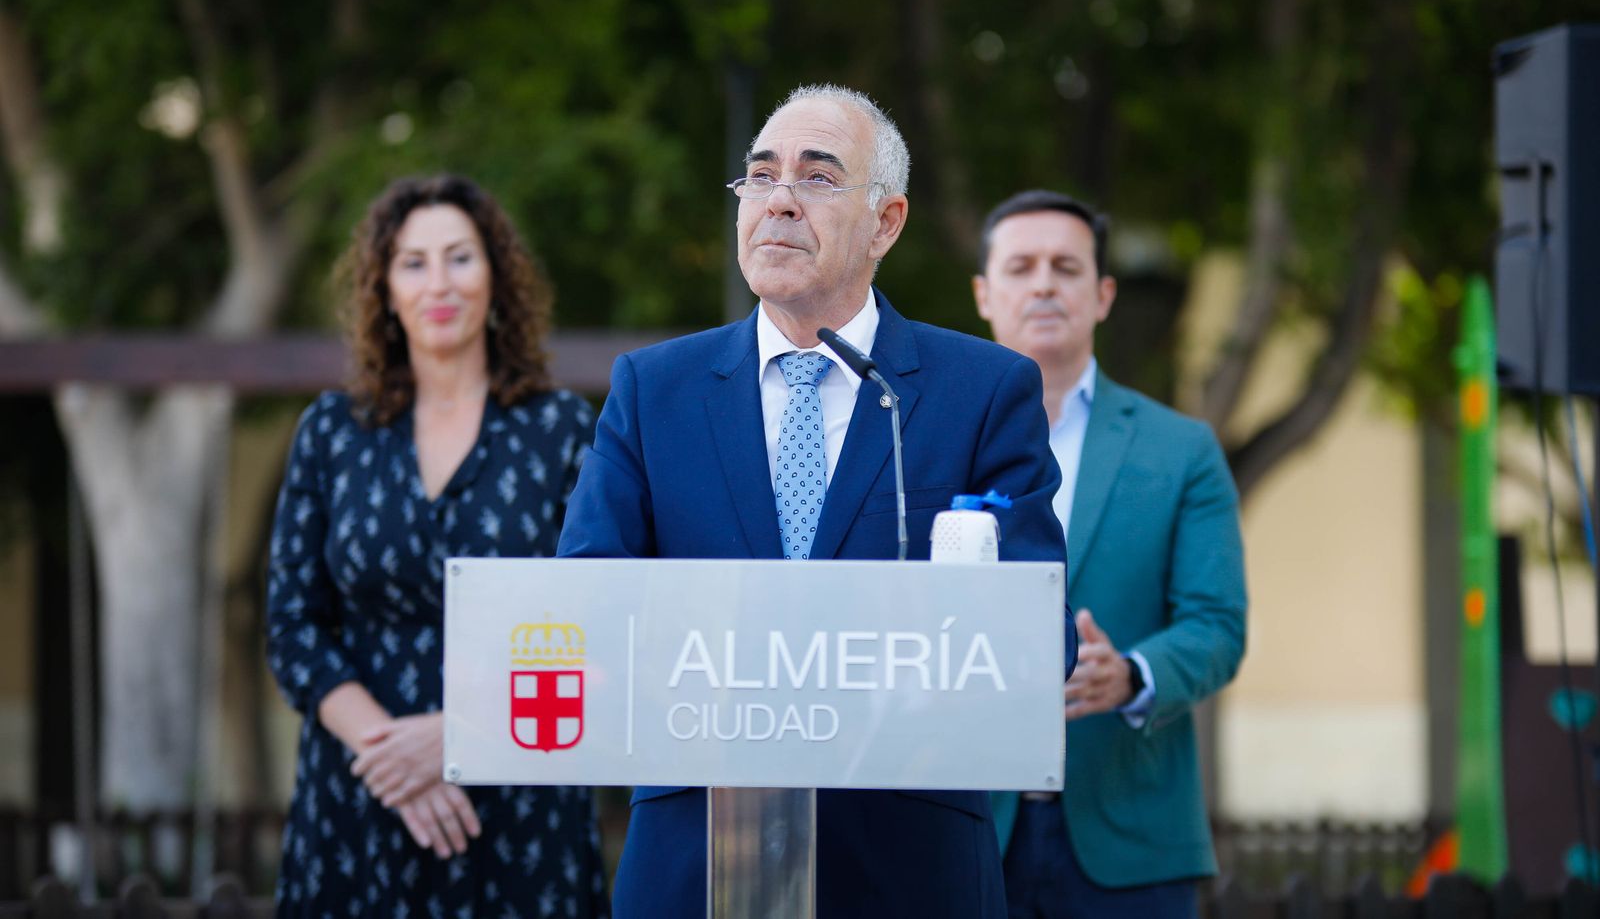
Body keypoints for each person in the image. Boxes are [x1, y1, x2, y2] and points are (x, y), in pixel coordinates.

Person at [557, 84, 1075, 918]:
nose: (780, 202)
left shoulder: (981, 391)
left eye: (818, 177)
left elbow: (1037, 639)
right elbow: (586, 606)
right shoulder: (654, 391)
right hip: (698, 859)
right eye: (760, 177)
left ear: (887, 222)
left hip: (906, 865)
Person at [266, 174, 609, 918]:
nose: (438, 283)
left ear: (497, 277)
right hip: (361, 793)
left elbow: (599, 626)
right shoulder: (330, 432)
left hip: (521, 796)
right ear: (385, 290)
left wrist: (459, 735)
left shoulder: (562, 432)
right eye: (413, 263)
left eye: (460, 257)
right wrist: (397, 755)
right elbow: (292, 624)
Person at [974, 190, 1248, 918]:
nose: (1042, 284)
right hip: (965, 830)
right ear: (983, 293)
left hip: (1130, 838)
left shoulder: (1181, 449)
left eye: (1066, 267)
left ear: (1102, 294)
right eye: (1021, 265)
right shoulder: (928, 441)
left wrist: (1131, 674)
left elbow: (1218, 624)